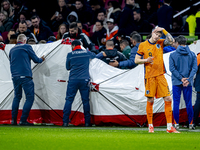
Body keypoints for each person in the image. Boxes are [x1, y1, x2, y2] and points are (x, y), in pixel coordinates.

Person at [135, 26, 180, 133]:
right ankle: (150, 126)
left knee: (168, 99)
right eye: (156, 34)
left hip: (161, 75)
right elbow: (136, 60)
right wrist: (146, 60)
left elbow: (171, 40)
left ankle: (169, 127)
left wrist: (163, 30)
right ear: (152, 33)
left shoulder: (160, 43)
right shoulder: (143, 45)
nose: (157, 37)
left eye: (159, 36)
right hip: (150, 77)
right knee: (150, 100)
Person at [63, 40, 106, 127]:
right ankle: (87, 122)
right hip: (84, 80)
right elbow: (96, 56)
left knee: (69, 100)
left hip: (73, 80)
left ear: (72, 46)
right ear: (81, 45)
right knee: (85, 101)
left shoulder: (70, 54)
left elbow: (67, 67)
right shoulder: (86, 53)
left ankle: (65, 122)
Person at [9, 34, 45, 125]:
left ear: (18, 41)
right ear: (25, 40)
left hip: (15, 76)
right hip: (25, 76)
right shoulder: (27, 47)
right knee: (30, 97)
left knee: (17, 97)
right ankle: (23, 120)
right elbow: (36, 60)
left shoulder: (12, 50)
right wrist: (42, 59)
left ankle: (13, 120)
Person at [169, 35, 197, 130]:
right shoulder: (193, 54)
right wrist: (188, 79)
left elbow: (172, 69)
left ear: (177, 43)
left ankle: (176, 124)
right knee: (188, 102)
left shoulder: (172, 55)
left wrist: (181, 79)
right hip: (188, 82)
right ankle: (191, 123)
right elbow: (194, 68)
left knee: (176, 103)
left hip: (177, 81)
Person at [194, 52, 200, 127]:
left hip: (199, 83)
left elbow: (195, 69)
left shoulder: (199, 56)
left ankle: (194, 121)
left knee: (198, 102)